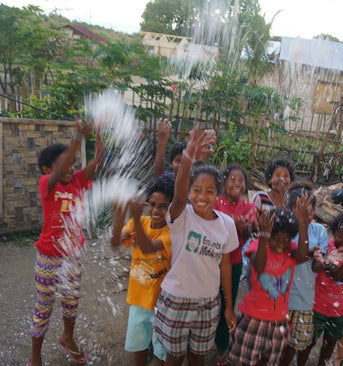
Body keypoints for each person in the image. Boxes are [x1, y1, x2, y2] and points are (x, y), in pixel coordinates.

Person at [152, 127, 238, 366]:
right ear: (189, 192)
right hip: (176, 300)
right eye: (196, 190)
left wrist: (229, 307)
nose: (202, 196)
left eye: (210, 191)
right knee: (174, 357)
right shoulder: (181, 215)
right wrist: (189, 155)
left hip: (208, 303)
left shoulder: (226, 225)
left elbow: (226, 268)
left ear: (218, 194)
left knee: (198, 357)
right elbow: (179, 194)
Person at [29, 120, 104, 366]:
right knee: (44, 307)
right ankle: (36, 355)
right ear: (46, 169)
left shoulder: (78, 181)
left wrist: (98, 133)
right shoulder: (46, 185)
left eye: (72, 163)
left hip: (72, 256)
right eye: (64, 164)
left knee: (71, 302)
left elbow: (98, 162)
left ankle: (67, 337)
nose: (70, 167)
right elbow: (62, 166)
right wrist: (76, 138)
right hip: (49, 256)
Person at [229, 199, 311, 366]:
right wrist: (264, 237)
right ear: (268, 233)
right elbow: (259, 267)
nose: (281, 242)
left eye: (286, 239)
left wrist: (302, 224)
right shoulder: (258, 244)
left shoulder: (290, 251)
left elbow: (303, 256)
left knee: (269, 361)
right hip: (253, 317)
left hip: (279, 320)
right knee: (245, 361)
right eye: (276, 237)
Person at [112, 175, 174, 366]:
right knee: (139, 344)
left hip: (163, 303)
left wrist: (136, 218)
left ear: (172, 208)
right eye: (152, 204)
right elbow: (115, 243)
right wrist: (120, 214)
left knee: (162, 351)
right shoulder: (140, 222)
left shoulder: (172, 232)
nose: (156, 210)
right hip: (139, 299)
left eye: (163, 206)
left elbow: (147, 247)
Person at [298, 210, 343, 366]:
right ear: (333, 233)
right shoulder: (327, 246)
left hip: (340, 310)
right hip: (318, 306)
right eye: (339, 236)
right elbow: (331, 273)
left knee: (329, 345)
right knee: (308, 343)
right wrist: (335, 265)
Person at [279, 182, 329, 366]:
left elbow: (317, 268)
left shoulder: (320, 231)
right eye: (299, 209)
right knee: (277, 343)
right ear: (289, 209)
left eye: (309, 210)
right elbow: (290, 256)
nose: (305, 214)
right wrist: (309, 253)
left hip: (304, 301)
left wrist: (319, 260)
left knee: (293, 344)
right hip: (281, 299)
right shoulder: (283, 229)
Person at [213, 164, 258, 366]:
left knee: (227, 305)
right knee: (208, 304)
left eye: (241, 181)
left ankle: (222, 347)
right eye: (232, 178)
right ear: (224, 182)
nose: (236, 183)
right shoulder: (215, 202)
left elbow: (249, 234)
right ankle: (200, 341)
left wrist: (244, 228)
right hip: (210, 262)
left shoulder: (248, 207)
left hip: (234, 262)